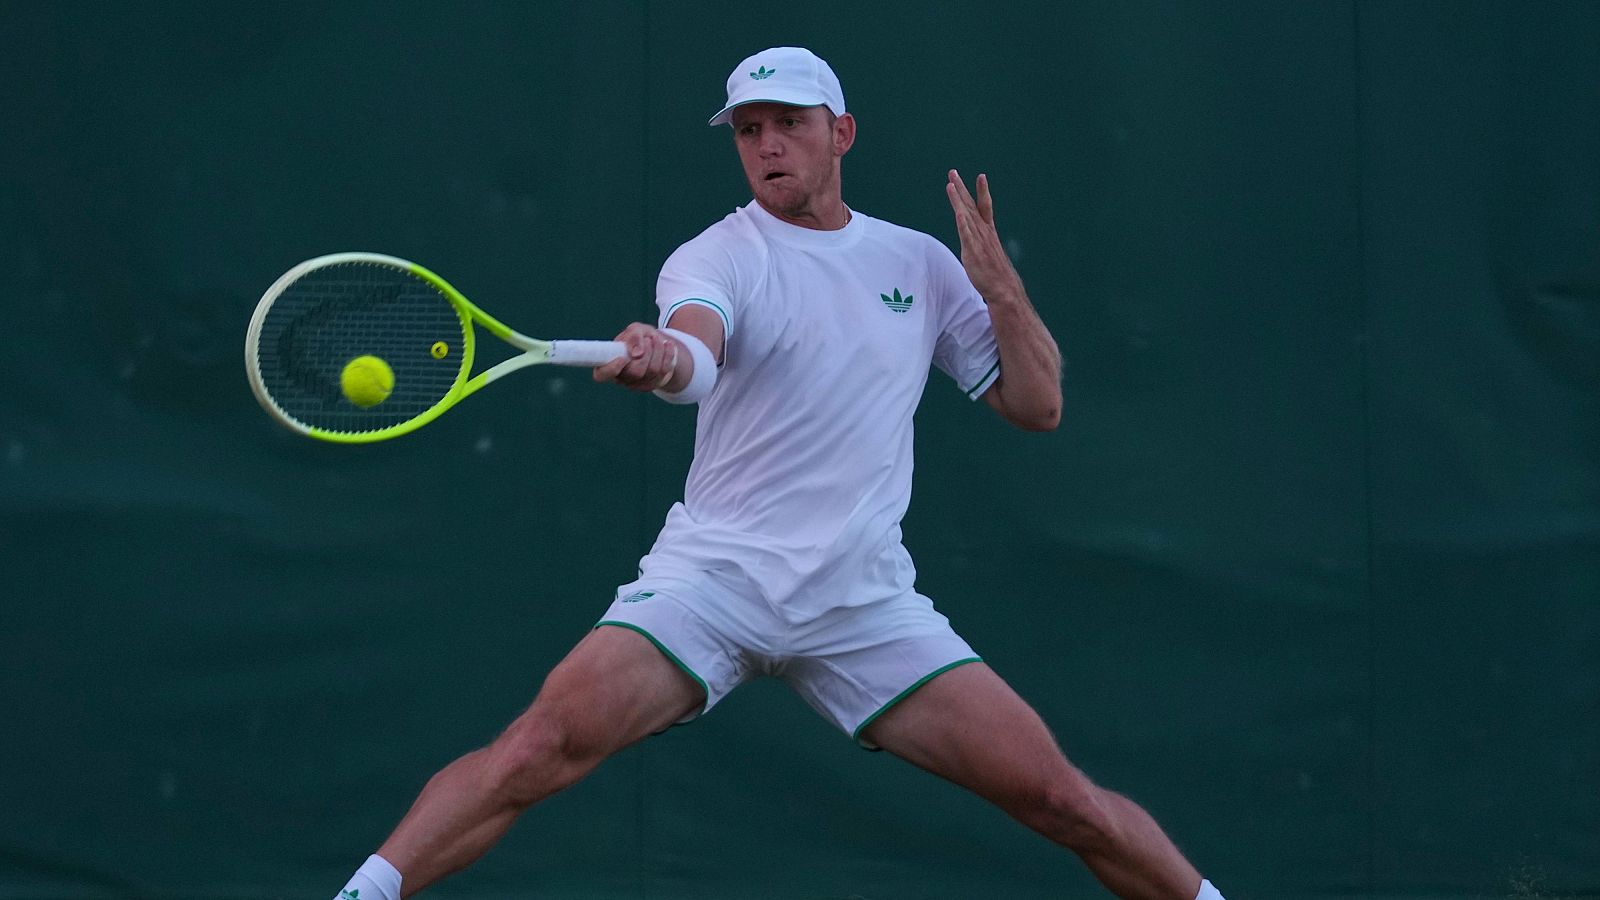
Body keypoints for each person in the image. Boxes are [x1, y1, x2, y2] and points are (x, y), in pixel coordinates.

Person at [332, 46, 1228, 900]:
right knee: (535, 751)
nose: (766, 145)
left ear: (840, 133)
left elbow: (1038, 407)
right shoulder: (716, 256)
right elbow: (697, 353)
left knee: (1062, 802)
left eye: (787, 123)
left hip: (862, 602)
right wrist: (664, 355)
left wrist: (999, 289)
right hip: (714, 582)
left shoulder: (916, 262)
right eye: (747, 129)